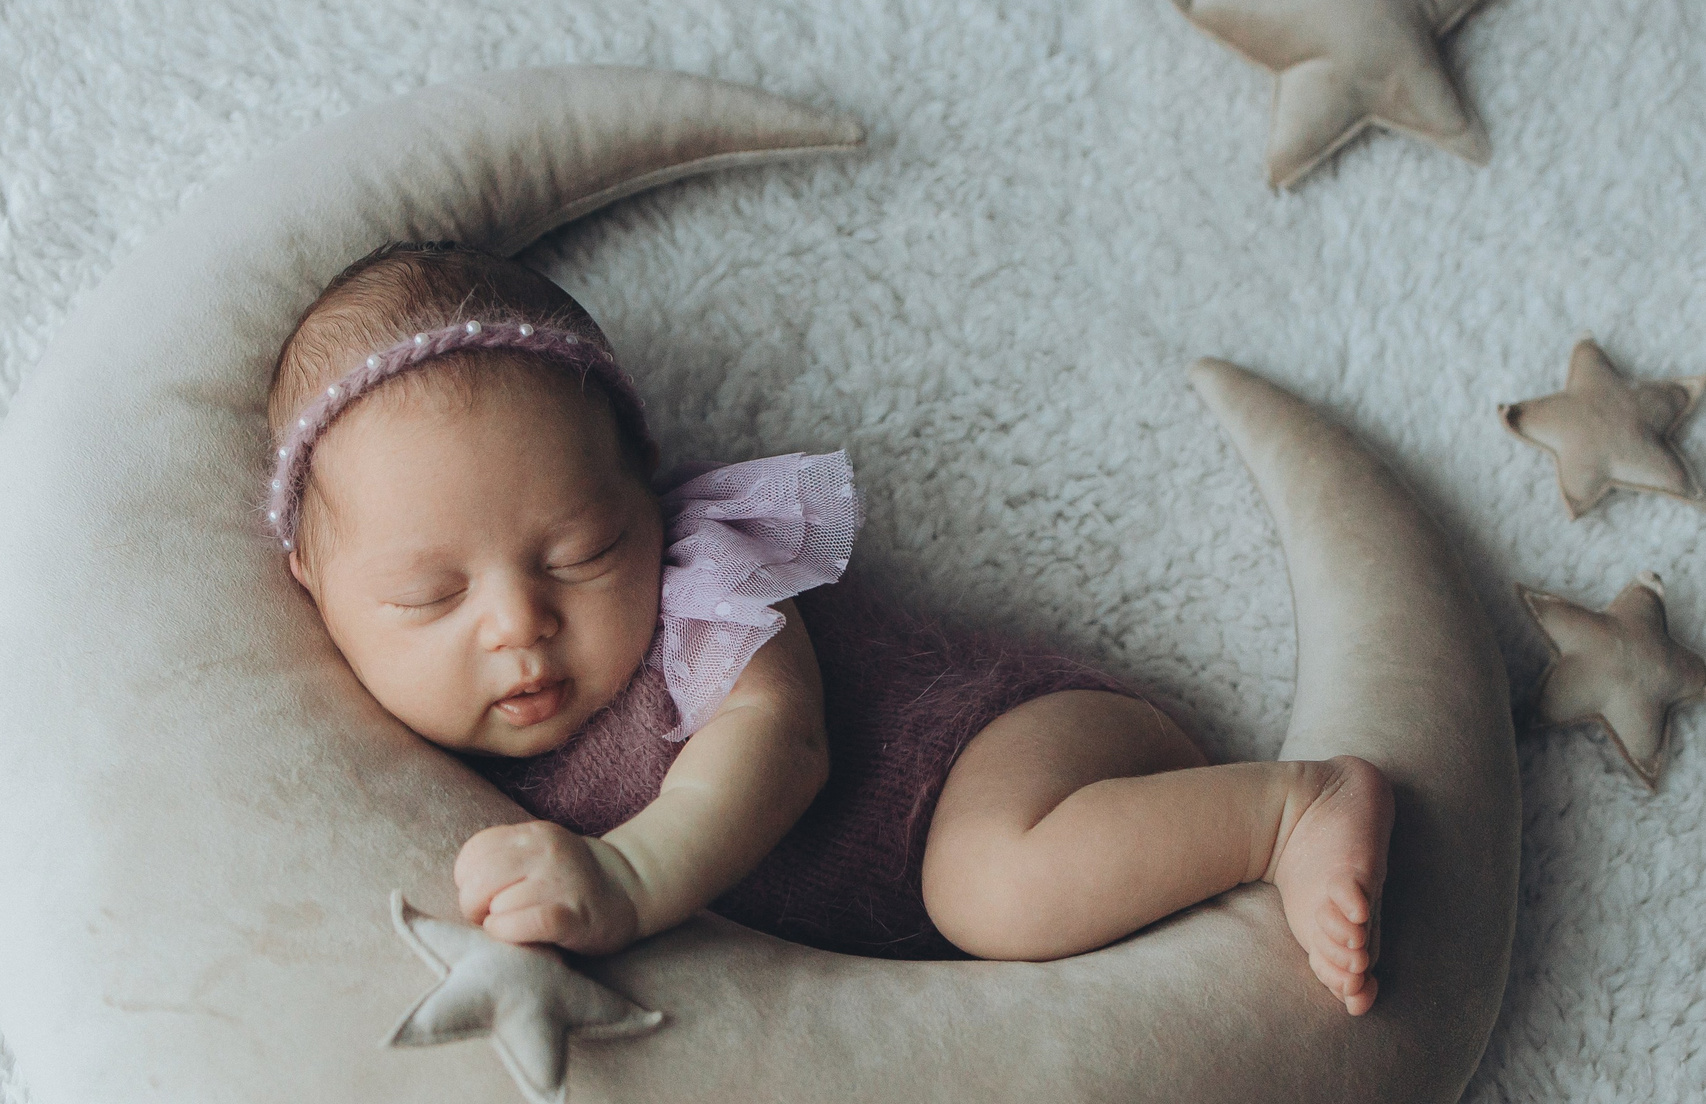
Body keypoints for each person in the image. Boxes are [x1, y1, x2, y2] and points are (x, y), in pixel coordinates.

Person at [268, 242, 1393, 1011]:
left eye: (579, 553)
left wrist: (630, 877)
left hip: (1003, 750)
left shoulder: (699, 582)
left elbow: (775, 746)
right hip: (909, 910)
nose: (519, 621)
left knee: (986, 882)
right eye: (430, 595)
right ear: (313, 583)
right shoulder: (400, 760)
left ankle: (1289, 807)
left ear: (643, 493)